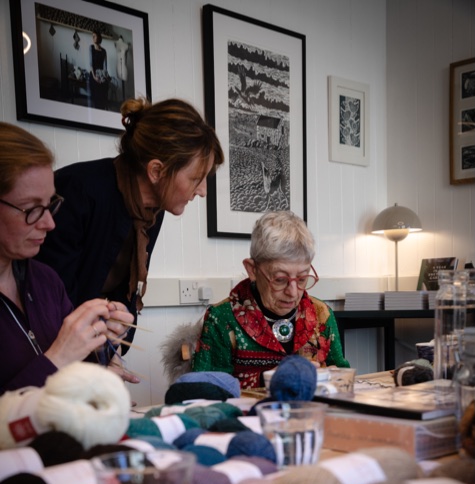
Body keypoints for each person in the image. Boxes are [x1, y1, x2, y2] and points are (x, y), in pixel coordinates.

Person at [36, 98, 223, 348]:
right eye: (196, 178)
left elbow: (124, 294)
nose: (202, 191)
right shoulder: (79, 190)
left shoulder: (153, 210)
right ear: (156, 171)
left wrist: (113, 348)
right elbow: (49, 297)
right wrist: (98, 349)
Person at [0, 123, 135, 391]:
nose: (50, 223)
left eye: (50, 204)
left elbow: (72, 377)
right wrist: (58, 357)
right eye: (31, 209)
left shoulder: (45, 281)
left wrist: (102, 347)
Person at [192, 211, 349, 389]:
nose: (292, 292)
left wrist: (333, 376)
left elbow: (342, 376)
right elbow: (204, 390)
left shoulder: (321, 314)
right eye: (280, 279)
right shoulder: (222, 318)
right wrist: (268, 379)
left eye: (302, 279)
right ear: (252, 270)